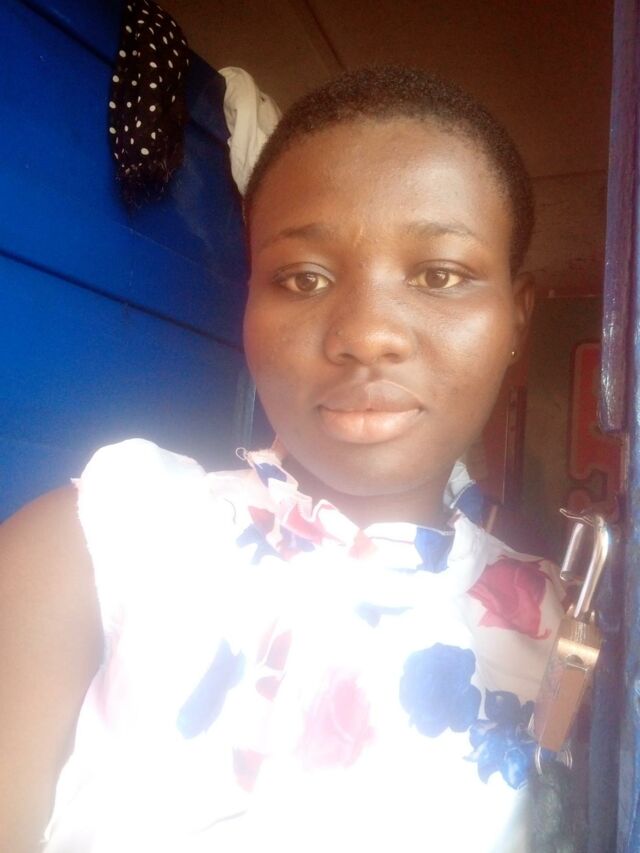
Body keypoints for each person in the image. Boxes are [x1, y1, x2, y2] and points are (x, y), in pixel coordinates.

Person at [0, 66, 566, 852]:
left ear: (516, 320)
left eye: (440, 275)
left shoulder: (566, 642)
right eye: (304, 277)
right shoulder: (102, 540)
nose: (367, 334)